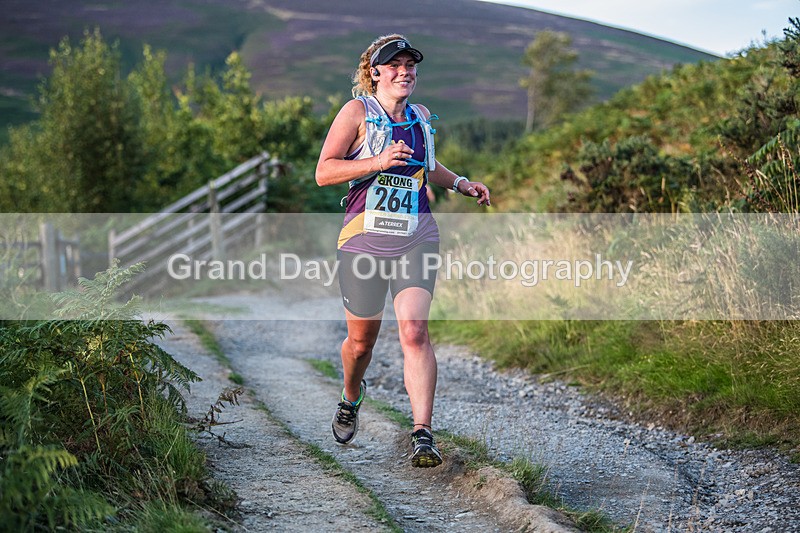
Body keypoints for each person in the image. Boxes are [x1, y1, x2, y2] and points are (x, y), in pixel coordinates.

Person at [315, 34, 490, 468]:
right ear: (375, 72)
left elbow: (429, 165)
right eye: (394, 65)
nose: (405, 71)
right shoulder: (356, 113)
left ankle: (422, 433)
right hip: (363, 239)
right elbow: (324, 172)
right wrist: (376, 162)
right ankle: (351, 395)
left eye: (411, 65)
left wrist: (462, 183)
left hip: (416, 234)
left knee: (414, 331)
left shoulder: (422, 117)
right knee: (361, 343)